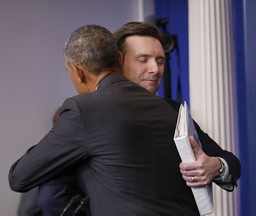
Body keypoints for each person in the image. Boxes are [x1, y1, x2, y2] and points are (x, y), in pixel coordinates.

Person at [36, 22, 241, 215]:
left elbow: (231, 161)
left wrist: (216, 166)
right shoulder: (87, 115)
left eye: (160, 60)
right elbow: (52, 196)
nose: (155, 69)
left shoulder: (175, 112)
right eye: (143, 60)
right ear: (117, 62)